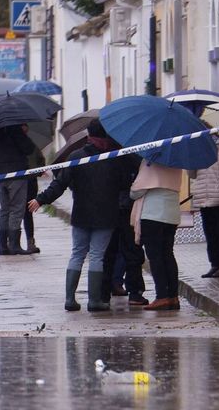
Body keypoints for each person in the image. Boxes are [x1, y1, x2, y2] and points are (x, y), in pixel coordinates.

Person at [31, 121, 138, 312]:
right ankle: (95, 301)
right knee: (97, 256)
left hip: (82, 214)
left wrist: (41, 199)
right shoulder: (113, 157)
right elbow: (125, 183)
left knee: (77, 254)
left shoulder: (76, 157)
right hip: (106, 216)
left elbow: (60, 183)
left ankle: (70, 299)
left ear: (88, 136)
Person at [130, 160, 184, 311]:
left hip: (152, 215)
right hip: (171, 213)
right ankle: (173, 296)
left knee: (155, 257)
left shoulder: (151, 161)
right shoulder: (177, 162)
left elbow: (136, 192)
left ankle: (162, 296)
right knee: (168, 254)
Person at [189, 132, 219, 278]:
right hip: (204, 197)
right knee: (210, 233)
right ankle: (215, 264)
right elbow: (192, 174)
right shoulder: (197, 150)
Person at [0, 123, 38, 255]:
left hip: (1, 175)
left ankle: (3, 246)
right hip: (17, 174)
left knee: (4, 210)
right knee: (17, 208)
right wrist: (23, 133)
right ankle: (14, 245)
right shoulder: (15, 129)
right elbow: (29, 148)